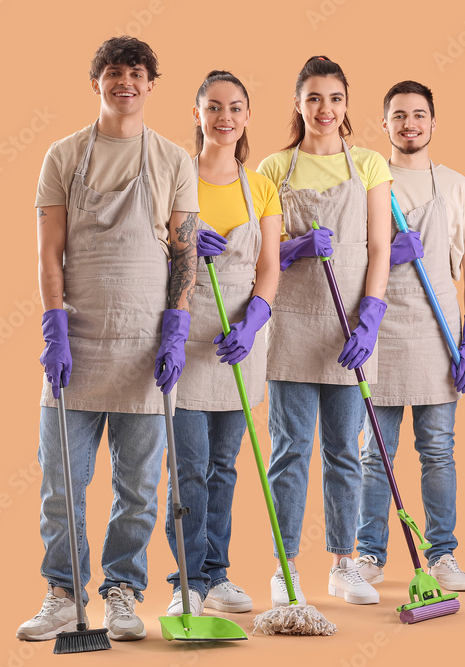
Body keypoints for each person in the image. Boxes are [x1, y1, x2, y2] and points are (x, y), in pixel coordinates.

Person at [16, 35, 199, 643]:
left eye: (137, 73)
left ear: (151, 83)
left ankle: (122, 591)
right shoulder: (64, 156)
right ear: (96, 82)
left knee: (139, 489)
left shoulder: (174, 160)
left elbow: (183, 251)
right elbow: (49, 251)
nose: (126, 82)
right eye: (114, 72)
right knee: (61, 484)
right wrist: (54, 327)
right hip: (78, 346)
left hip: (147, 347)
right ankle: (64, 595)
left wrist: (175, 328)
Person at [257, 55, 392, 607]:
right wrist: (294, 248)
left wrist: (372, 317)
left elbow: (380, 248)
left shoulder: (369, 166)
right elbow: (260, 254)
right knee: (289, 451)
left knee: (343, 449)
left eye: (335, 98)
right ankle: (285, 569)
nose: (325, 109)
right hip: (290, 327)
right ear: (298, 104)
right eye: (314, 98)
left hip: (349, 329)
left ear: (346, 104)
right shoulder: (272, 169)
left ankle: (343, 565)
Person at [355, 80, 465, 592]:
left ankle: (444, 554)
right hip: (380, 332)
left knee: (437, 449)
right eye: (399, 115)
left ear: (433, 123)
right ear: (383, 124)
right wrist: (384, 253)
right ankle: (367, 554)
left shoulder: (457, 187)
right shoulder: (368, 181)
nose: (409, 123)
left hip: (439, 336)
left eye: (419, 115)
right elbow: (349, 257)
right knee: (374, 453)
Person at [163, 70, 282, 617]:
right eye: (213, 107)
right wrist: (180, 247)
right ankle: (185, 579)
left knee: (225, 466)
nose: (224, 117)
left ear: (247, 117)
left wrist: (254, 323)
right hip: (187, 336)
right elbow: (150, 254)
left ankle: (217, 574)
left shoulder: (260, 186)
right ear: (197, 114)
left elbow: (270, 269)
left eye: (235, 108)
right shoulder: (175, 176)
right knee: (189, 468)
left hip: (239, 341)